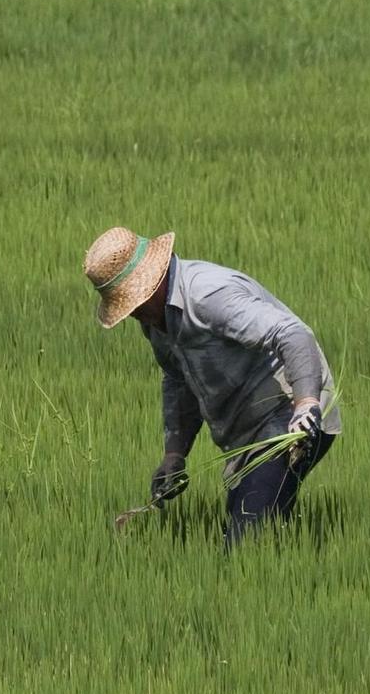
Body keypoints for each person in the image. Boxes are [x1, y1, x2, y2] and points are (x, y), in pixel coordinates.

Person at [83, 227, 341, 546]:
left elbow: (293, 334)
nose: (132, 313)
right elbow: (179, 381)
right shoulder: (155, 321)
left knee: (246, 540)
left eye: (132, 302)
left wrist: (305, 404)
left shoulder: (209, 296)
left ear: (152, 284)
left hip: (288, 417)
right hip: (245, 434)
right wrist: (174, 455)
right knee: (261, 528)